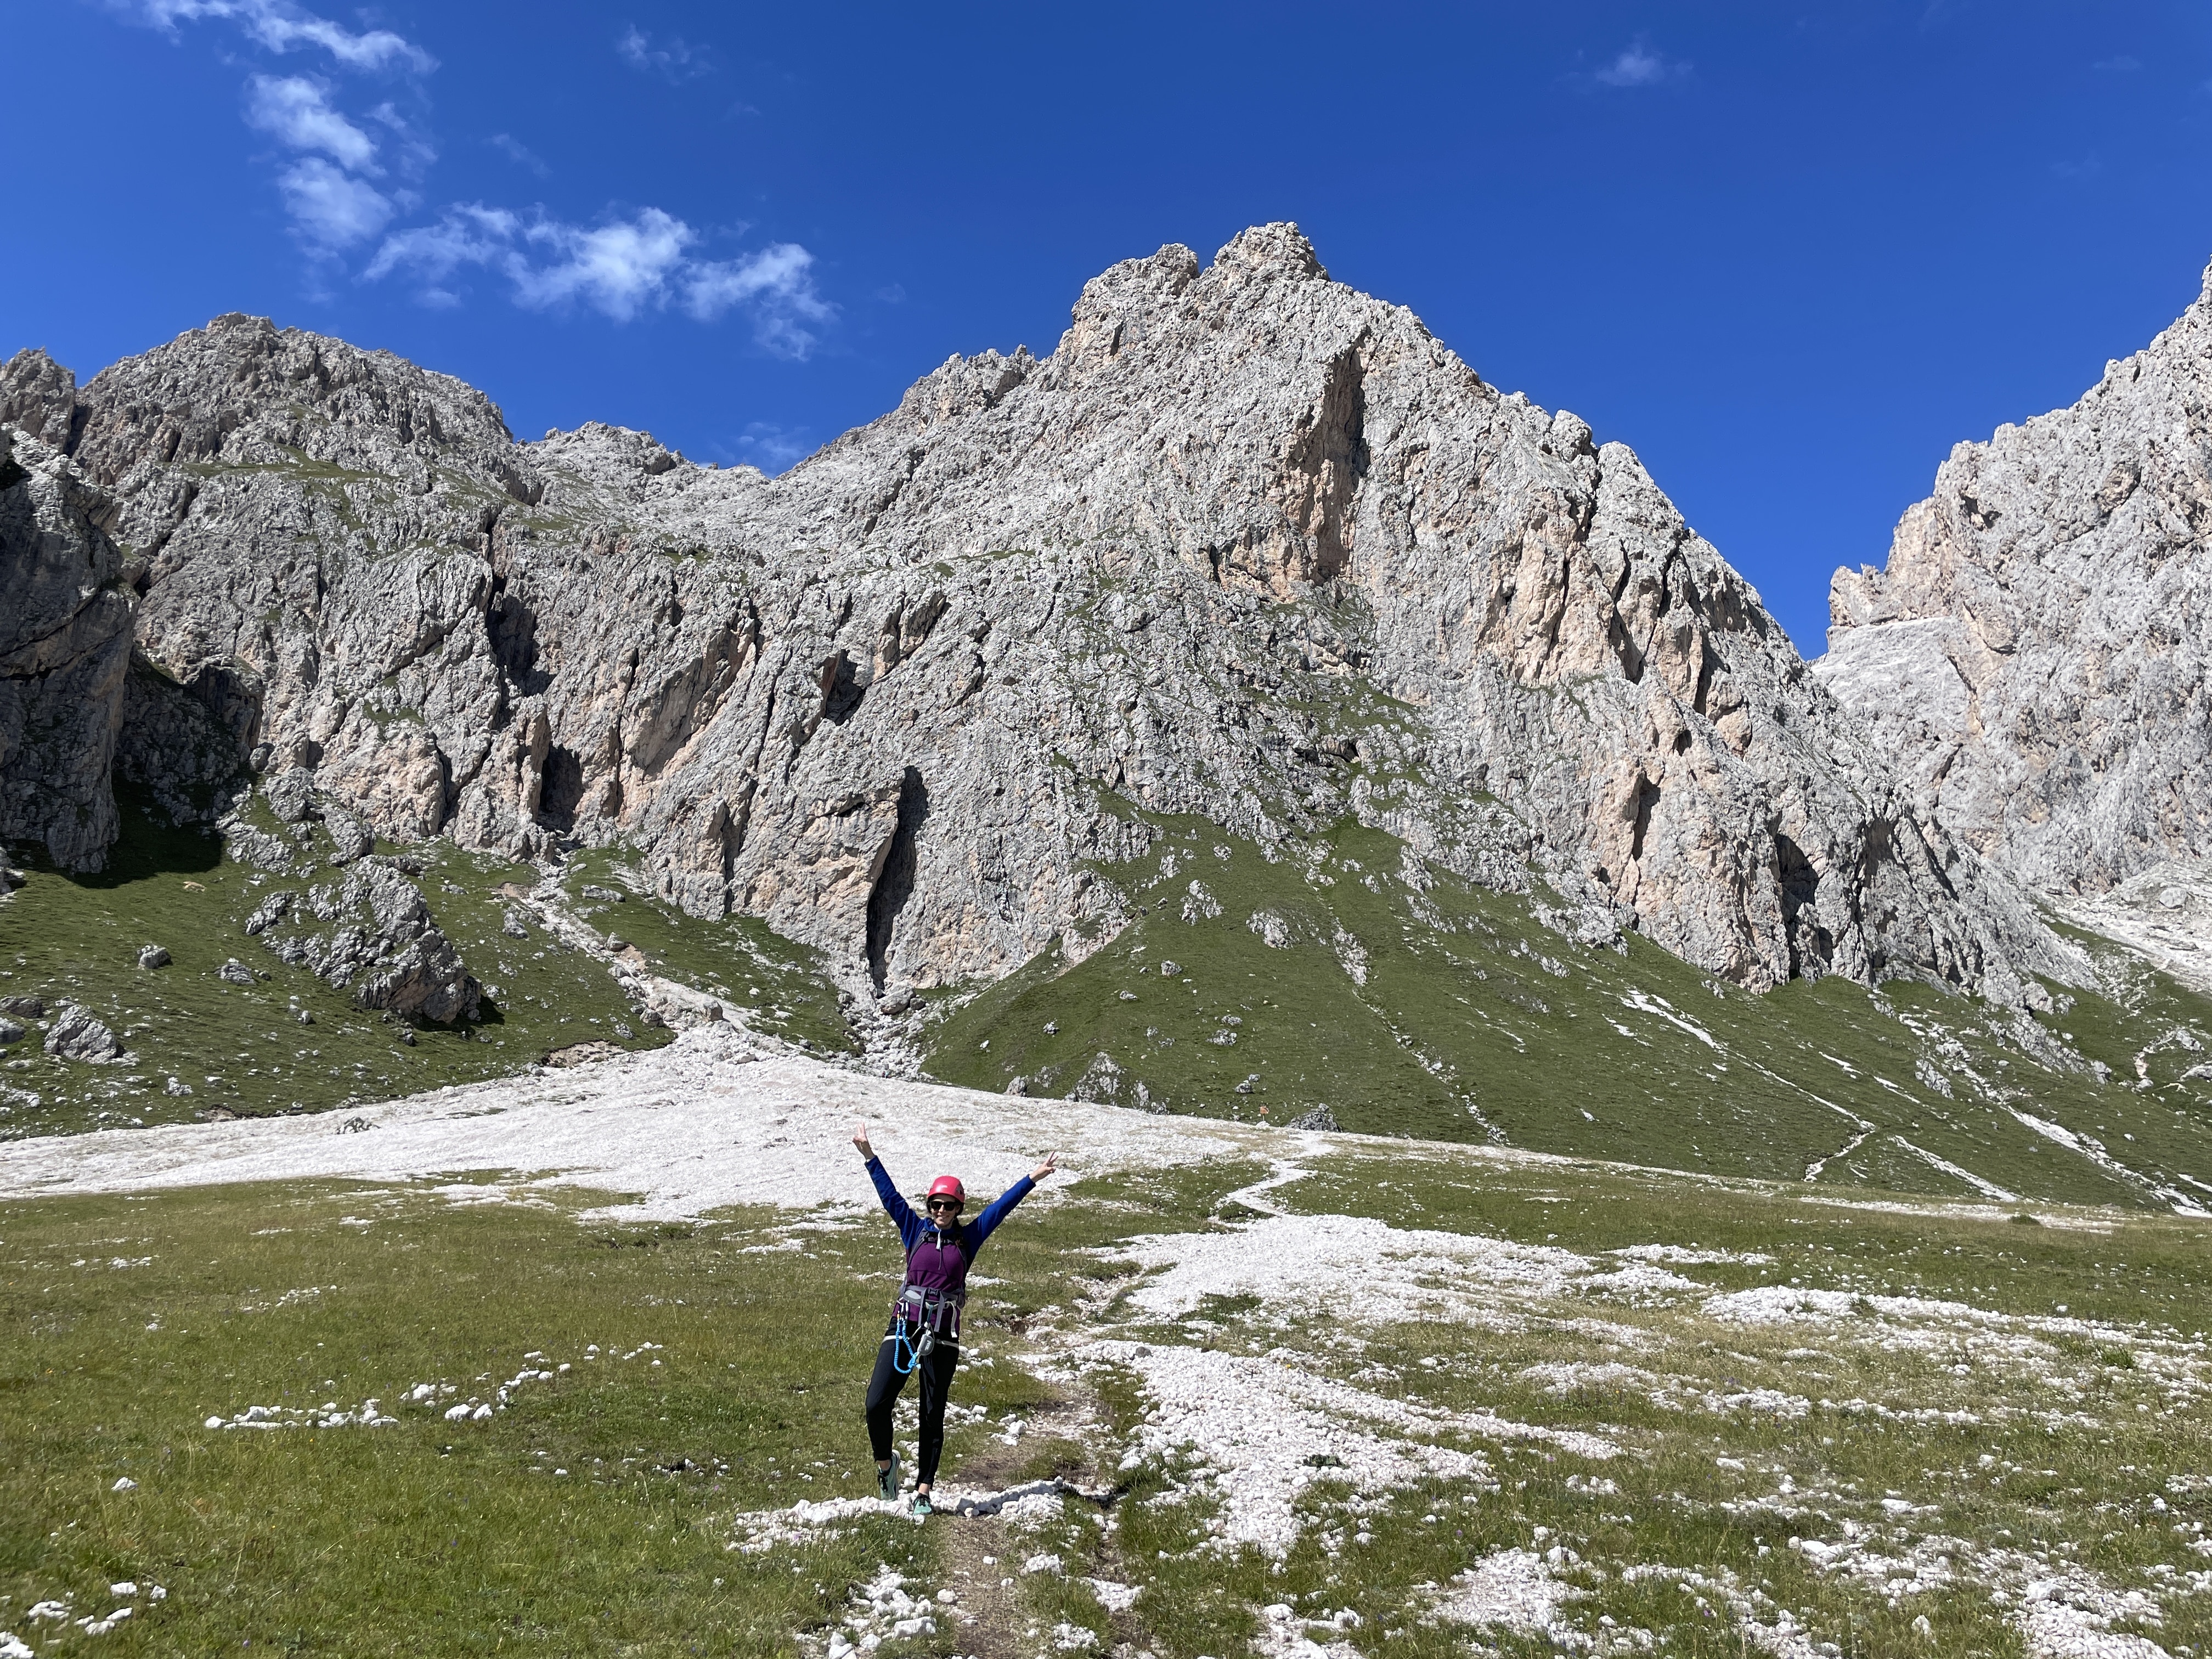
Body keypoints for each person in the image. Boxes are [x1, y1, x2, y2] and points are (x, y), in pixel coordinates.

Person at [853, 1121, 1056, 1517]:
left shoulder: (970, 1237)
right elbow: (889, 1196)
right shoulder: (914, 1229)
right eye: (935, 1204)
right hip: (905, 1326)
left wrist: (1033, 1177)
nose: (941, 1211)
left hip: (943, 1333)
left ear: (959, 1208)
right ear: (928, 1207)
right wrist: (869, 1156)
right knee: (876, 1404)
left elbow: (1002, 1207)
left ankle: (924, 1492)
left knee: (932, 1412)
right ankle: (885, 1467)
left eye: (948, 1205)